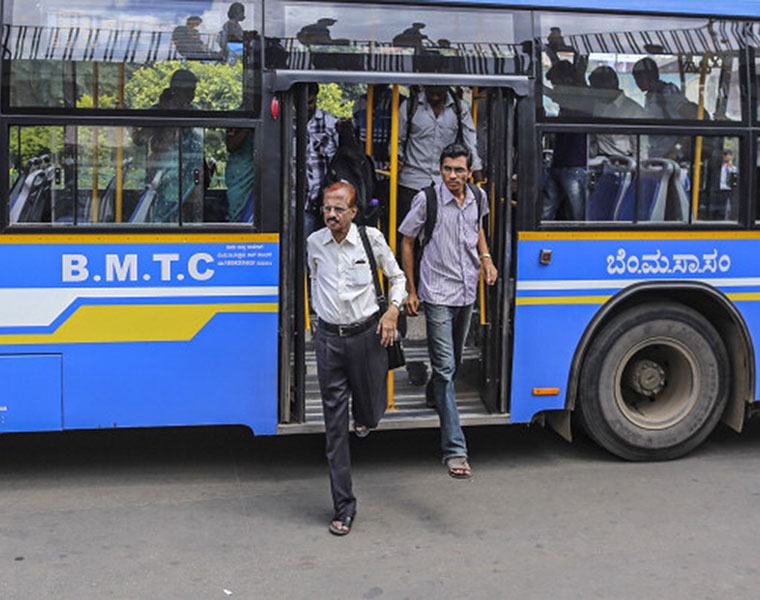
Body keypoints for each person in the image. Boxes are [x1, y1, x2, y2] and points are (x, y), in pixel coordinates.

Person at [307, 181, 406, 536]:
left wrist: (392, 311)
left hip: (367, 338)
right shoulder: (314, 243)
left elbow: (397, 277)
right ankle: (344, 505)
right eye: (326, 208)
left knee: (371, 412)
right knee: (335, 429)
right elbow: (314, 280)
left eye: (338, 209)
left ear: (353, 211)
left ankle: (365, 417)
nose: (330, 215)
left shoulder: (371, 239)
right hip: (330, 341)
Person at [399, 143, 498, 480]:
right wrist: (411, 290)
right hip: (437, 291)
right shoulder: (426, 200)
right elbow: (407, 240)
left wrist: (486, 259)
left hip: (467, 288)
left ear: (469, 171)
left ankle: (433, 394)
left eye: (459, 170)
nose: (453, 176)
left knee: (450, 363)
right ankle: (455, 450)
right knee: (444, 368)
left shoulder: (478, 198)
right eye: (447, 169)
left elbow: (477, 231)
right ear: (440, 169)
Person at [397, 86, 482, 226]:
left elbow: (470, 141)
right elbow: (397, 140)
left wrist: (477, 170)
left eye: (439, 90)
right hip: (412, 180)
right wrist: (397, 160)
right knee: (409, 231)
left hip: (446, 181)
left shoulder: (459, 108)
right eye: (431, 90)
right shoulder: (409, 106)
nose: (435, 95)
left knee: (445, 229)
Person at [133, 70, 204, 223]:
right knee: (164, 218)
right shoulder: (159, 112)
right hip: (164, 174)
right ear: (176, 90)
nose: (192, 95)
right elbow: (141, 139)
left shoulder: (194, 112)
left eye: (193, 91)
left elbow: (198, 149)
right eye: (188, 91)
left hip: (190, 176)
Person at [542, 60, 588, 220]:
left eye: (557, 84)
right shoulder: (567, 100)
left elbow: (560, 98)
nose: (555, 88)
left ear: (567, 81)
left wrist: (543, 90)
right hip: (559, 162)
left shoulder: (580, 98)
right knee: (544, 213)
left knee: (578, 215)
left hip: (575, 164)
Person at [304, 82, 339, 241]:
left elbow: (340, 160)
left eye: (310, 102)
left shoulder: (330, 123)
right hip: (298, 200)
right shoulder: (286, 122)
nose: (306, 107)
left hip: (325, 199)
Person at [589, 65, 643, 158]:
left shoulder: (634, 111)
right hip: (595, 159)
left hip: (622, 162)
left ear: (612, 84)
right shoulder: (596, 105)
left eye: (597, 89)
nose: (594, 93)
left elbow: (641, 149)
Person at [225, 128, 255, 223]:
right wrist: (246, 129)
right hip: (238, 174)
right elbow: (230, 146)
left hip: (250, 173)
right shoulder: (238, 124)